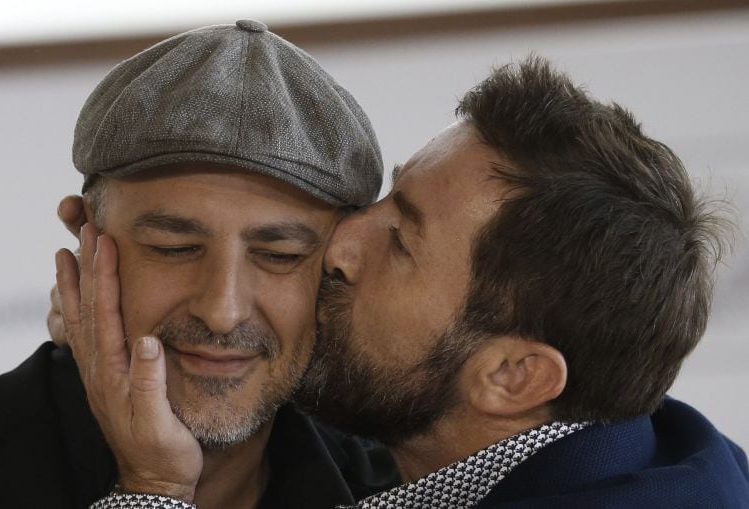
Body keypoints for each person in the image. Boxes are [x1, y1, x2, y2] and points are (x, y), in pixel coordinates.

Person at [74, 56, 749, 508]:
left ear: (513, 375)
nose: (337, 245)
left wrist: (155, 487)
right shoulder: (668, 448)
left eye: (399, 240)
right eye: (389, 198)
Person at [0, 21, 399, 509]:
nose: (222, 312)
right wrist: (154, 490)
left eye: (278, 256)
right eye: (173, 247)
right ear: (84, 237)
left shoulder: (394, 487)